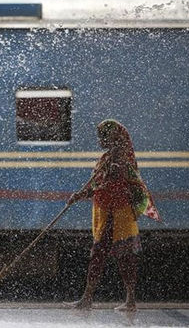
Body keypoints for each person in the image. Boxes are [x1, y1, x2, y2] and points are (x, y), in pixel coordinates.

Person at [66, 119, 160, 311]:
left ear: (113, 138)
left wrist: (86, 192)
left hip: (119, 215)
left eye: (103, 136)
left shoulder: (120, 160)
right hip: (107, 212)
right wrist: (80, 195)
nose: (100, 140)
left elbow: (110, 184)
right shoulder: (107, 158)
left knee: (123, 257)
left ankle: (128, 301)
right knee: (101, 255)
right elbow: (97, 185)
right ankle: (88, 298)